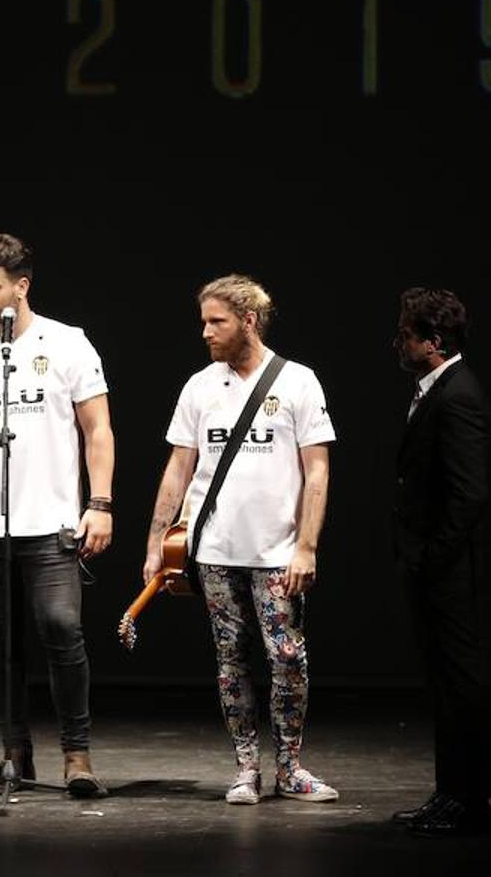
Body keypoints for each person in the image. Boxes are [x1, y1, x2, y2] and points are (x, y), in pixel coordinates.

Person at [0, 232, 114, 797]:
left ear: (21, 285)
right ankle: (15, 753)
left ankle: (76, 756)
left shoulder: (69, 343)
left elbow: (97, 429)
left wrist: (99, 503)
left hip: (53, 520)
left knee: (62, 628)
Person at [141, 275, 338, 806]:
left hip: (277, 551)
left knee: (288, 658)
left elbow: (316, 472)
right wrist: (157, 541)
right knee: (230, 661)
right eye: (203, 321)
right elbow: (179, 469)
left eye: (216, 321)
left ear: (248, 320)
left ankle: (289, 767)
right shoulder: (200, 387)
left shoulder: (298, 382)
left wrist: (307, 546)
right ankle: (246, 767)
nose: (205, 332)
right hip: (215, 551)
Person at [390, 287, 491, 837]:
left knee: (462, 687)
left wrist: (432, 559)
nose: (397, 344)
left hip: (450, 572)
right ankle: (450, 795)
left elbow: (468, 494)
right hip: (435, 568)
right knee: (446, 687)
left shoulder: (457, 396)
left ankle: (467, 801)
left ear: (432, 343)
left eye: (405, 335)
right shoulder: (436, 389)